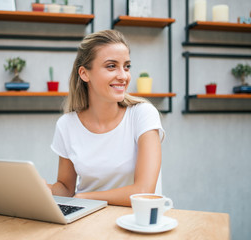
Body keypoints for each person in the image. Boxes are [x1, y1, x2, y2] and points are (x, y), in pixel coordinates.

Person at [49, 29, 165, 207]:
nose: (123, 75)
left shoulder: (143, 115)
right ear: (84, 74)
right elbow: (66, 188)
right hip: (88, 219)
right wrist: (42, 188)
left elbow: (144, 191)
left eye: (126, 66)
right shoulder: (67, 124)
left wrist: (84, 199)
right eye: (111, 66)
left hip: (137, 221)